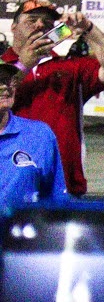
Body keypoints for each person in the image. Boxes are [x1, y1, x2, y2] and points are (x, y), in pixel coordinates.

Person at [3, 0, 104, 194]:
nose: (39, 25)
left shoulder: (70, 67)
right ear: (13, 27)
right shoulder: (3, 66)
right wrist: (24, 64)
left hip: (64, 185)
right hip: (9, 184)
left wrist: (89, 29)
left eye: (47, 23)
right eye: (31, 20)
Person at [0, 63, 65, 215]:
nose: (5, 87)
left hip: (20, 229)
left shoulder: (39, 135)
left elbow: (56, 198)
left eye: (8, 80)